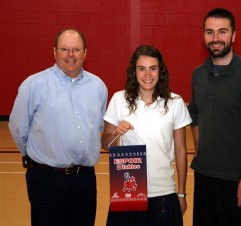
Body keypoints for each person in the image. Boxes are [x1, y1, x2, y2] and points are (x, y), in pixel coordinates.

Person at [8, 28, 108, 226]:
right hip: (46, 179)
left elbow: (97, 127)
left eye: (76, 49)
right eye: (65, 49)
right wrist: (38, 158)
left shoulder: (98, 86)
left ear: (85, 53)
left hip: (85, 180)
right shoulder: (34, 84)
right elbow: (18, 128)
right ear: (54, 51)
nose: (70, 55)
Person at [188, 8, 241, 226]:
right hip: (205, 178)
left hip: (239, 182)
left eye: (222, 31)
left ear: (234, 35)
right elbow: (195, 112)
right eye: (210, 32)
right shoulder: (198, 74)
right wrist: (200, 145)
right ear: (203, 35)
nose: (216, 38)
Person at [101, 45, 192, 226]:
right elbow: (105, 144)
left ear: (160, 71)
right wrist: (116, 133)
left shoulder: (175, 102)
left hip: (165, 193)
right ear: (134, 72)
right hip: (128, 193)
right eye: (141, 69)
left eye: (153, 68)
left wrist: (181, 193)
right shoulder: (119, 99)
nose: (147, 75)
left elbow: (181, 151)